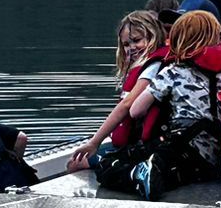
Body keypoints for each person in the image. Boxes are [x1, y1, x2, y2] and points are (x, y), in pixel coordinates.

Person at [89, 9, 221, 199]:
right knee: (177, 174)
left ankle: (138, 174)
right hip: (213, 158)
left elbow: (135, 110)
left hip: (179, 148)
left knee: (106, 165)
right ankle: (150, 175)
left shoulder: (172, 72)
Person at [67, 9, 168, 173]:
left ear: (153, 36)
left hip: (141, 147)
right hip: (132, 143)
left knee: (74, 164)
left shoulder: (153, 67)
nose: (131, 48)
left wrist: (95, 142)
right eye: (126, 44)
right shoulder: (145, 66)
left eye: (137, 40)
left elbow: (127, 104)